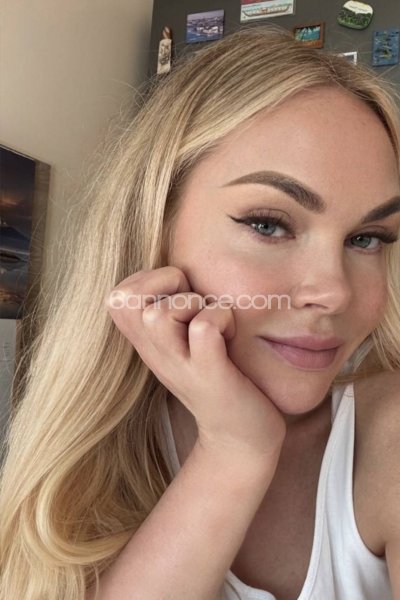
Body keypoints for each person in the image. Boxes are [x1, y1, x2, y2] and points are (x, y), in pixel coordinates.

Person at [1, 24, 400, 600]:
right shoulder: (84, 464)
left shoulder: (388, 434)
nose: (334, 293)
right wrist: (235, 452)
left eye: (368, 238)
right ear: (153, 226)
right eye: (268, 224)